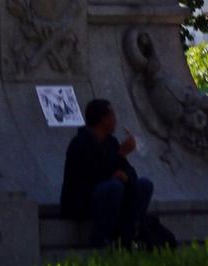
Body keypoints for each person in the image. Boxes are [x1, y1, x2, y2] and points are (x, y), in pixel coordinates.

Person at [60, 96, 154, 245]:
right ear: (103, 119)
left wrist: (126, 177)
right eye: (112, 116)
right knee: (113, 188)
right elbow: (94, 175)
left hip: (112, 196)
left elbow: (129, 171)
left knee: (144, 185)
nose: (115, 120)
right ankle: (99, 240)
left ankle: (128, 236)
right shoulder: (80, 143)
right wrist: (121, 154)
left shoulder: (111, 142)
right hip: (83, 200)